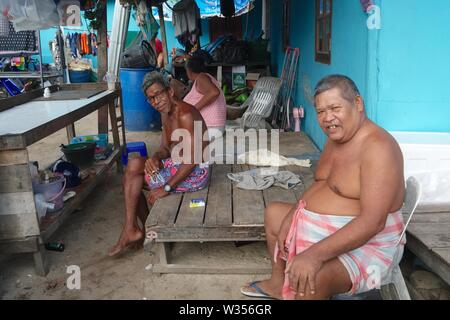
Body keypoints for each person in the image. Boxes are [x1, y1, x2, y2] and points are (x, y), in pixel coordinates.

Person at [240, 75, 406, 300]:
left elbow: (372, 223)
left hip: (369, 244)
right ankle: (279, 284)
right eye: (320, 111)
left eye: (335, 108)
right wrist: (294, 213)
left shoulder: (378, 148)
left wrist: (313, 255)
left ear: (357, 104)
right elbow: (322, 182)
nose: (328, 118)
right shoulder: (336, 138)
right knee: (274, 214)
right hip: (332, 227)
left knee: (311, 279)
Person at [108, 71, 210, 257]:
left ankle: (135, 230)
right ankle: (136, 229)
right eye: (150, 99)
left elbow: (194, 158)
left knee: (132, 177)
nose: (156, 102)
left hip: (195, 173)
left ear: (170, 91)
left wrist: (167, 187)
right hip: (178, 165)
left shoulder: (186, 114)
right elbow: (165, 147)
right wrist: (155, 157)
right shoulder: (165, 114)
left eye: (158, 95)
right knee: (134, 169)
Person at [183, 56, 227, 135]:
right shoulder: (204, 78)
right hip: (211, 126)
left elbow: (214, 92)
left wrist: (194, 109)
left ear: (189, 70)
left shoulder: (201, 77)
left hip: (211, 127)